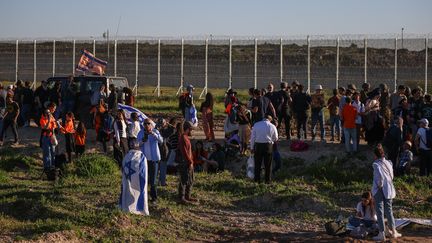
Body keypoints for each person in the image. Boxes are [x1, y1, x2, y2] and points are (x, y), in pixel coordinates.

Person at [371, 144, 401, 241]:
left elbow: (379, 177)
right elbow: (392, 175)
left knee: (380, 211)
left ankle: (382, 233)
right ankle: (393, 231)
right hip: (388, 188)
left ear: (375, 155)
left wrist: (379, 185)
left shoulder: (376, 164)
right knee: (389, 210)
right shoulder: (388, 162)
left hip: (380, 189)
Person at [119, 141, 149, 216]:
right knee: (140, 190)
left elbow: (123, 169)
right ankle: (140, 209)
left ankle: (126, 206)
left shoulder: (126, 157)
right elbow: (143, 173)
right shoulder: (142, 157)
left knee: (127, 190)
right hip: (137, 181)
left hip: (128, 179)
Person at [250, 115, 278, 184]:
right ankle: (267, 181)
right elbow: (276, 138)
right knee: (268, 165)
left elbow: (253, 137)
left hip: (258, 145)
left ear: (263, 119)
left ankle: (257, 180)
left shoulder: (256, 125)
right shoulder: (272, 126)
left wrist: (251, 147)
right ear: (270, 119)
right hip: (268, 146)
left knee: (257, 164)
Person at [140, 118, 163, 204]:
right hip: (144, 160)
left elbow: (161, 141)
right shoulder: (141, 132)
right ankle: (144, 197)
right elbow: (137, 144)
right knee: (144, 179)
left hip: (154, 160)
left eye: (148, 123)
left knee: (153, 180)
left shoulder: (155, 131)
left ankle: (154, 198)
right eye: (145, 124)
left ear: (151, 124)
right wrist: (143, 140)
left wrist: (153, 134)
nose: (146, 125)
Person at [178, 121, 197, 204]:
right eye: (191, 129)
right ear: (188, 129)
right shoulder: (183, 138)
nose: (192, 131)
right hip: (185, 162)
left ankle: (187, 196)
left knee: (190, 179)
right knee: (184, 180)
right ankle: (182, 197)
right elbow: (185, 152)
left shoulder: (186, 137)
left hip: (189, 161)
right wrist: (189, 162)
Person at [39, 106, 58, 171]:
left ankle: (53, 165)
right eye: (47, 113)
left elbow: (55, 125)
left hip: (51, 136)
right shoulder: (42, 119)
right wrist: (49, 121)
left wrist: (52, 126)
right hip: (46, 137)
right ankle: (47, 167)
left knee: (53, 152)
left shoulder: (51, 116)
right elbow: (45, 127)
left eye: (49, 112)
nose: (48, 114)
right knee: (47, 152)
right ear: (44, 113)